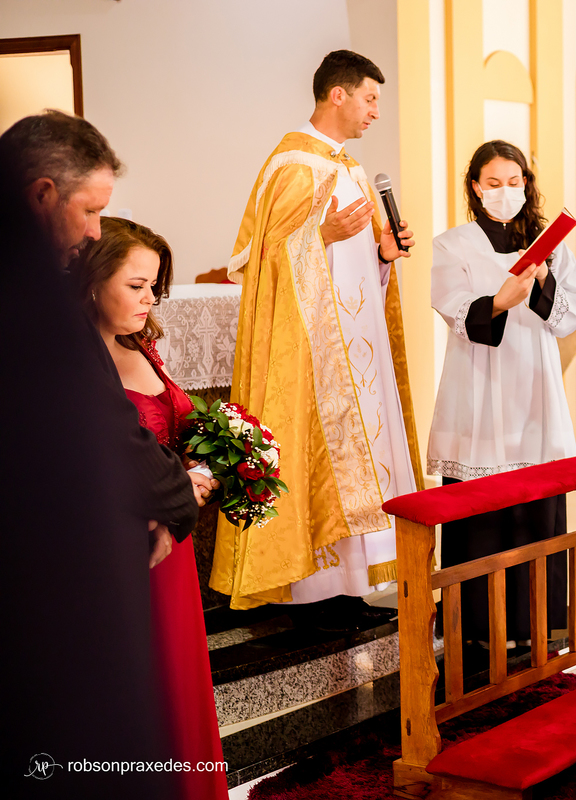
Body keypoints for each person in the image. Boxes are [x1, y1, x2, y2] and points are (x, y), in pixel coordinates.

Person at [0, 111, 197, 797]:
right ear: (41, 196)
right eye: (89, 211)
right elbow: (99, 425)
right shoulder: (27, 298)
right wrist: (178, 498)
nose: (94, 231)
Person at [213, 50, 422, 617]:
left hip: (360, 350)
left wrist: (383, 254)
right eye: (371, 98)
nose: (377, 111)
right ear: (338, 94)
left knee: (368, 453)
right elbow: (255, 262)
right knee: (318, 459)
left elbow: (362, 268)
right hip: (312, 354)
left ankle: (351, 586)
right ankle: (308, 593)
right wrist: (319, 234)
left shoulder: (352, 170)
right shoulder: (290, 166)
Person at [71, 217, 227, 800]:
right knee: (140, 687)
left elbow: (174, 430)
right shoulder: (78, 361)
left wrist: (218, 462)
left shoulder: (141, 342)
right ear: (92, 279)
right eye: (136, 285)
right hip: (128, 546)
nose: (149, 299)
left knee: (180, 680)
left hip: (173, 540)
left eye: (155, 286)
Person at [429, 140, 576, 646]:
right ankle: (473, 633)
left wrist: (541, 285)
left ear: (527, 183)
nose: (505, 192)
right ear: (475, 188)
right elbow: (452, 307)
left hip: (535, 387)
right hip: (479, 386)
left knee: (534, 508)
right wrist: (501, 298)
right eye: (493, 183)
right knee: (480, 513)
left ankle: (535, 629)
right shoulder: (452, 244)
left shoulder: (551, 243)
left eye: (514, 182)